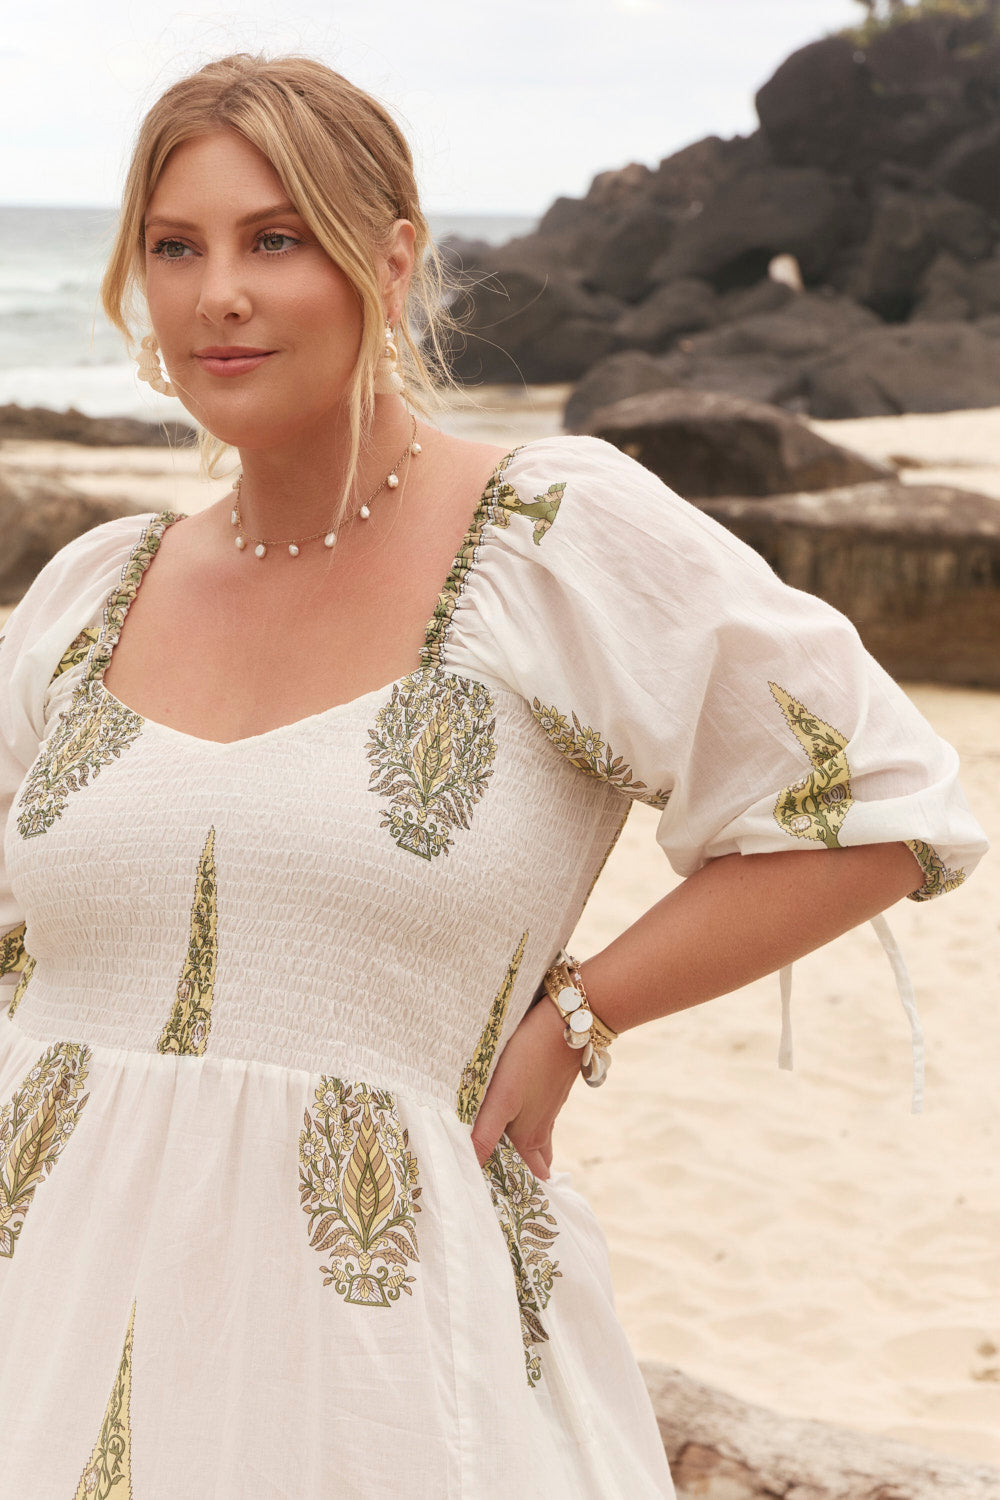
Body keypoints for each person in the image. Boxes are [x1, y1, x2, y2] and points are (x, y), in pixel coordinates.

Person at [0, 51, 987, 1500]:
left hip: (385, 1371)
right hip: (43, 1324)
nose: (219, 294)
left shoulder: (553, 538)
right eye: (175, 246)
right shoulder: (91, 594)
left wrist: (584, 1013)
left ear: (391, 261)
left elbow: (880, 807)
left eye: (275, 239)